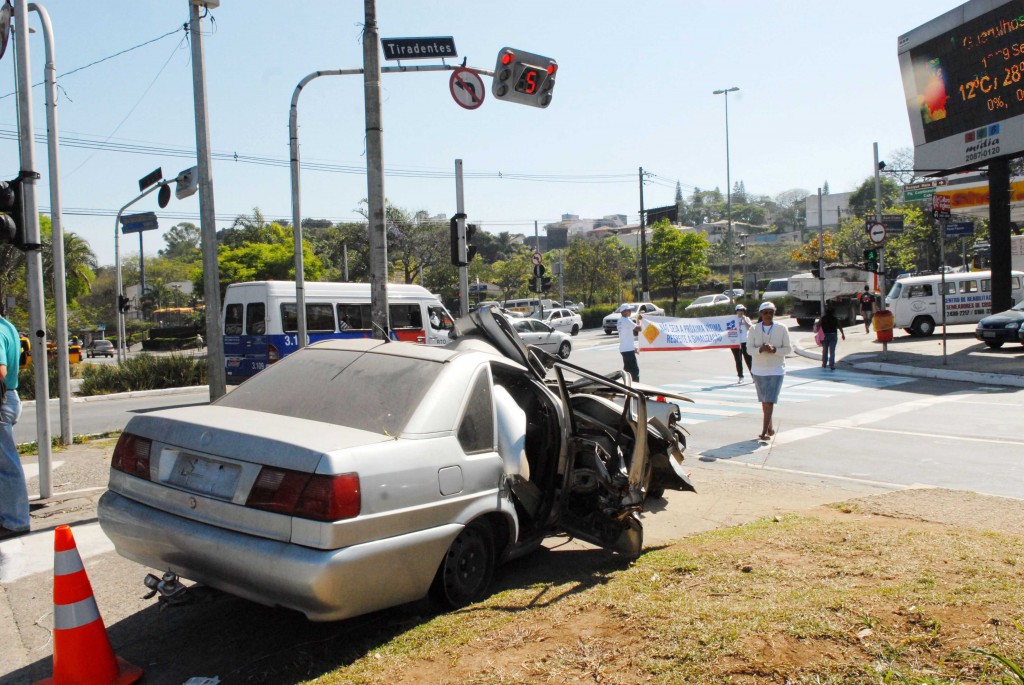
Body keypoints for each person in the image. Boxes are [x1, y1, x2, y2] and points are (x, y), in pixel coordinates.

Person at [0, 303, 27, 540]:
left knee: (6, 465)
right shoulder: (7, 326)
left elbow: (0, 369)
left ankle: (16, 521)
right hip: (10, 396)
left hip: (2, 399)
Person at [748, 302, 791, 441]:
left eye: (770, 312)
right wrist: (760, 349)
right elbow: (749, 349)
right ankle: (770, 428)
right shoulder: (754, 329)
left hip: (776, 369)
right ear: (761, 314)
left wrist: (775, 350)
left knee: (770, 401)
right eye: (765, 312)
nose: (768, 315)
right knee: (764, 401)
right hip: (759, 370)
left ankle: (764, 431)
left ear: (774, 313)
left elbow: (788, 349)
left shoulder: (781, 328)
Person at [617, 305, 643, 382]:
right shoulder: (626, 320)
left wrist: (633, 348)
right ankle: (636, 388)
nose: (630, 311)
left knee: (627, 371)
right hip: (628, 350)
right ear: (624, 311)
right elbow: (639, 329)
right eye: (628, 310)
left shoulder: (620, 321)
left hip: (624, 349)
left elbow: (625, 336)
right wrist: (640, 320)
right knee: (635, 371)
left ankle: (628, 387)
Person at [818, 305, 845, 371]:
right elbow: (840, 326)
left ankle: (824, 364)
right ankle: (831, 365)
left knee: (825, 350)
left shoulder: (823, 318)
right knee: (832, 351)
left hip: (824, 336)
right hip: (833, 335)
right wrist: (842, 334)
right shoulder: (835, 318)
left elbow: (818, 326)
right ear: (833, 312)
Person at [731, 304, 753, 382]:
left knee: (749, 359)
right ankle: (740, 376)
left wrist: (744, 320)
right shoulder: (733, 319)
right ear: (736, 311)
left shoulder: (746, 319)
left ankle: (754, 376)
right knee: (738, 360)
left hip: (745, 341)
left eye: (743, 310)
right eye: (740, 310)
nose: (741, 312)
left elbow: (750, 328)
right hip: (735, 342)